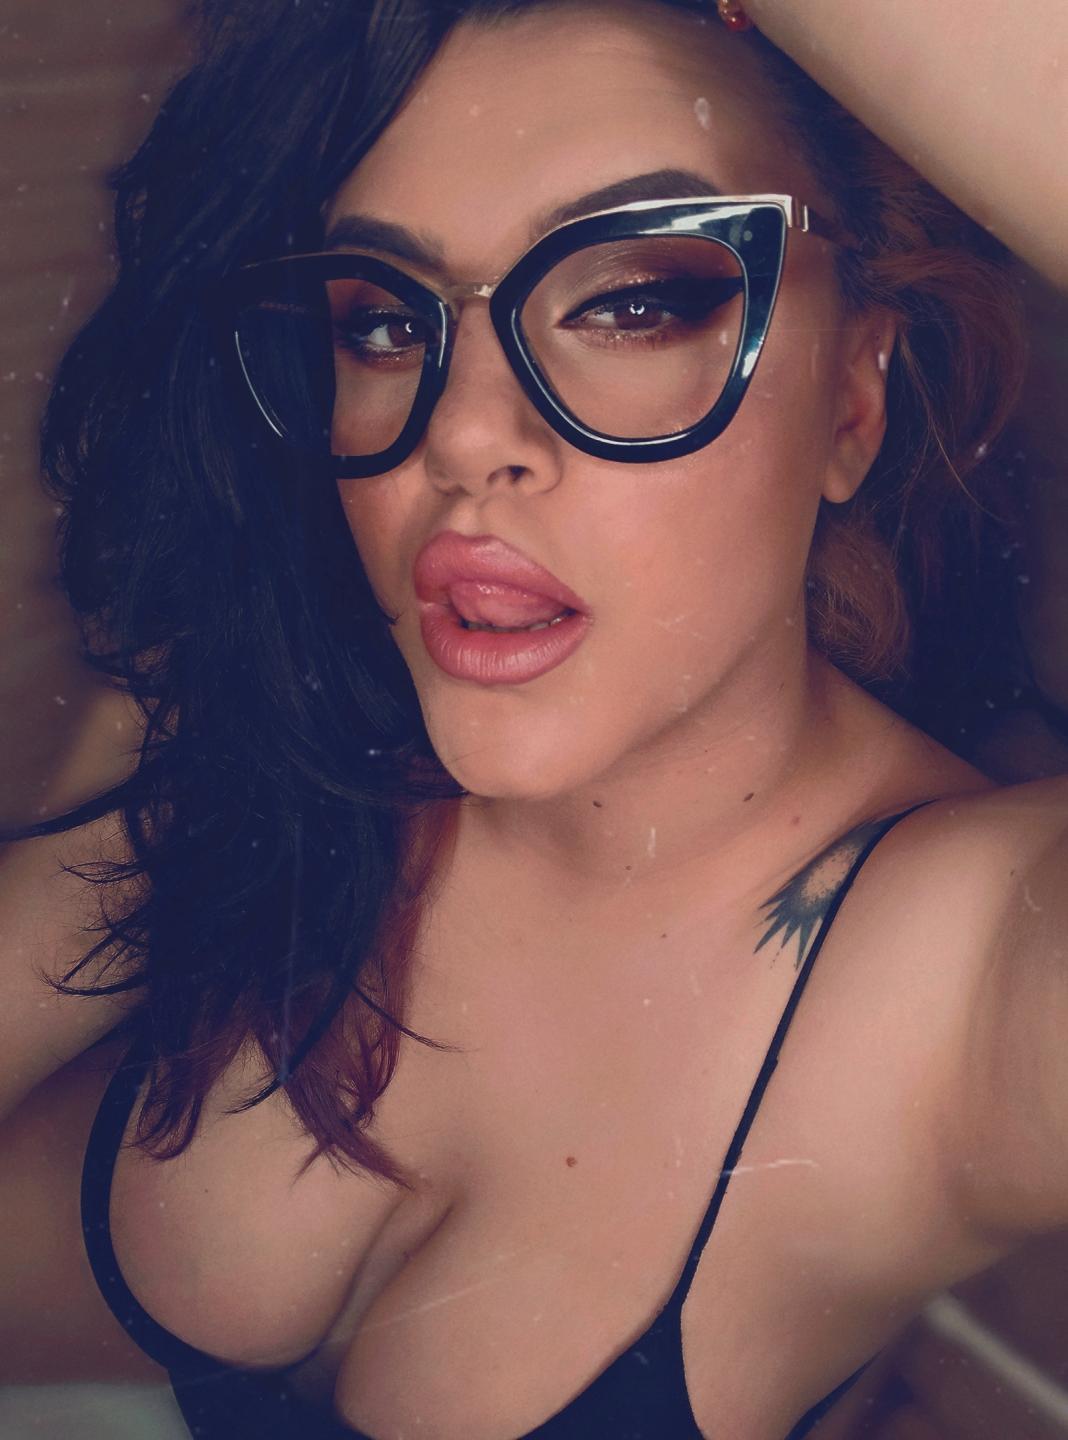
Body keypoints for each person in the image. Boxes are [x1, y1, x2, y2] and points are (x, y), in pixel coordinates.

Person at [1, 1, 1066, 1437]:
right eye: (385, 321)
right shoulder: (282, 763)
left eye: (632, 302)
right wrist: (189, 797)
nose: (461, 433)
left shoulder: (966, 981)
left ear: (852, 402)